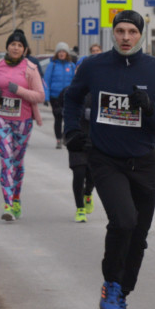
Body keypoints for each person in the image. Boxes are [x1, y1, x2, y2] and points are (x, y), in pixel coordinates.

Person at [63, 10, 155, 309]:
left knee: (138, 236)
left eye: (132, 31)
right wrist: (71, 131)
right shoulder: (93, 66)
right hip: (105, 159)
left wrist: (150, 108)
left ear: (141, 34)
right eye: (120, 31)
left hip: (143, 162)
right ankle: (110, 284)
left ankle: (122, 295)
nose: (126, 37)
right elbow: (71, 99)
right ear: (112, 33)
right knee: (123, 220)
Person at [0, 28, 45, 221]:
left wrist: (21, 91)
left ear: (24, 49)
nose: (15, 48)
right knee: (6, 159)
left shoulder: (30, 69)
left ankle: (16, 198)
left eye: (19, 45)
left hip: (23, 120)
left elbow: (40, 95)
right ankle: (7, 204)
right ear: (7, 46)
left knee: (17, 161)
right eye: (12, 44)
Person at [67, 89, 96, 223]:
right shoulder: (71, 92)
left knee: (92, 175)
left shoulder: (99, 90)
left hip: (96, 140)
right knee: (79, 173)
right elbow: (63, 103)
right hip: (77, 139)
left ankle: (88, 193)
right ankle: (80, 208)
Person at [44, 41, 77, 149]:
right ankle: (58, 139)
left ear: (67, 53)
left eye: (64, 51)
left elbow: (75, 82)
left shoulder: (71, 66)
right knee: (58, 117)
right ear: (57, 53)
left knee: (67, 118)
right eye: (60, 51)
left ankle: (64, 135)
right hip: (55, 97)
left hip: (67, 97)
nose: (61, 53)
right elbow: (46, 82)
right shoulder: (52, 65)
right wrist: (46, 96)